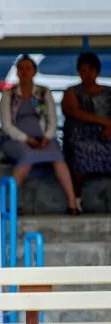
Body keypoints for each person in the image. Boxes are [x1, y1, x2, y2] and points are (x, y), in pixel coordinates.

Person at [0, 56, 76, 213]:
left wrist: (48, 137)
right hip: (16, 140)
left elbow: (52, 118)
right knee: (27, 155)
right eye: (21, 68)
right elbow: (7, 125)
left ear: (35, 71)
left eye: (28, 68)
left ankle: (72, 203)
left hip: (44, 140)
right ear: (17, 72)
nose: (24, 72)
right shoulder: (9, 94)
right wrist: (27, 139)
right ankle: (9, 204)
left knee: (58, 157)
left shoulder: (43, 91)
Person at [62, 52, 111, 212]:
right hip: (79, 136)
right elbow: (74, 112)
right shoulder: (72, 92)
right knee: (80, 152)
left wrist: (109, 128)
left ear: (97, 71)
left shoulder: (108, 91)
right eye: (83, 71)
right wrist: (102, 121)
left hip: (105, 136)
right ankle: (76, 200)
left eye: (90, 70)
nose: (87, 75)